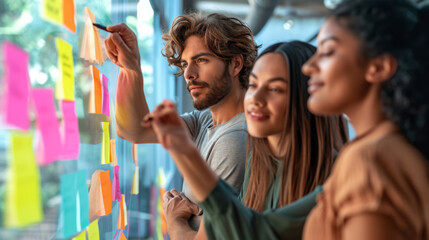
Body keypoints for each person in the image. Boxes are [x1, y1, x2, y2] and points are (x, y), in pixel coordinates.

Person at [144, 0, 429, 239]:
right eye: (254, 84)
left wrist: (178, 222)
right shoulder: (361, 156)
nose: (310, 66)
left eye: (328, 51)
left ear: (378, 67)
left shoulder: (374, 161)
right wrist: (182, 151)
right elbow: (260, 231)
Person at [159, 41, 347, 239]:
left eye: (275, 89)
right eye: (253, 85)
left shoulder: (334, 178)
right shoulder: (260, 163)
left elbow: (253, 231)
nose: (255, 98)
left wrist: (174, 221)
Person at [104, 13, 258, 229]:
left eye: (201, 60)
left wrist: (174, 219)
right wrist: (131, 68)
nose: (189, 74)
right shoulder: (206, 120)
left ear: (235, 65)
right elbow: (134, 130)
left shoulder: (234, 139)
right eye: (185, 63)